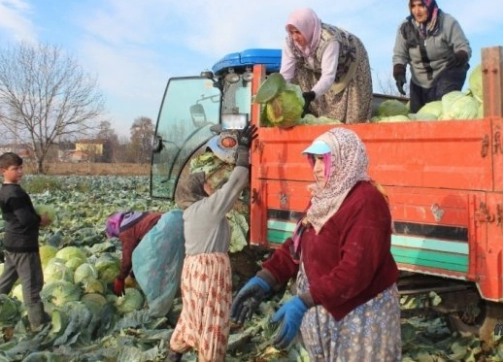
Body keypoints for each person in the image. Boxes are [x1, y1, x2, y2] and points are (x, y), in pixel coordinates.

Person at [230, 127, 402, 361]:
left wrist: (303, 302)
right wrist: (265, 278)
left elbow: (355, 272)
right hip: (326, 305)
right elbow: (299, 243)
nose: (318, 168)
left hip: (360, 314)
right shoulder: (325, 197)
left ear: (345, 160)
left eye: (324, 160)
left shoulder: (365, 201)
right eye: (315, 160)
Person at [166, 124, 257, 362]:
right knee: (214, 321)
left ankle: (173, 353)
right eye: (205, 183)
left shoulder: (190, 211)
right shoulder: (208, 209)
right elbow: (236, 183)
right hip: (210, 272)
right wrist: (245, 150)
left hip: (193, 271)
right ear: (198, 191)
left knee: (193, 314)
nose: (210, 185)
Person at [279, 8, 374, 124]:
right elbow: (286, 74)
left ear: (308, 29)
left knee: (355, 116)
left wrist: (311, 95)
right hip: (318, 63)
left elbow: (328, 76)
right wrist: (278, 96)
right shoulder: (290, 43)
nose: (294, 37)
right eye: (291, 32)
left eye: (298, 32)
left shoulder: (329, 40)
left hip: (350, 60)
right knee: (299, 70)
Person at [392, 0, 472, 113]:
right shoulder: (405, 27)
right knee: (418, 117)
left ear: (430, 4)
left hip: (446, 73)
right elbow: (399, 55)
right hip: (419, 79)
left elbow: (464, 48)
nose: (417, 11)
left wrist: (457, 57)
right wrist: (399, 72)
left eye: (421, 5)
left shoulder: (447, 22)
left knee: (441, 112)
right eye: (413, 6)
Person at [0, 152, 51, 332]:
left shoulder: (6, 190)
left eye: (21, 167)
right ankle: (38, 326)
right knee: (32, 285)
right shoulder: (14, 193)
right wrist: (41, 220)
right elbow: (25, 219)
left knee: (5, 282)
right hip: (23, 246)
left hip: (12, 244)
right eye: (15, 169)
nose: (20, 171)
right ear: (3, 171)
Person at [105, 210, 164, 296]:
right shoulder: (132, 218)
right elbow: (139, 252)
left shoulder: (126, 230)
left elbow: (128, 258)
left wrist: (120, 278)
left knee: (157, 266)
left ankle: (159, 296)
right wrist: (132, 275)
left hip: (163, 232)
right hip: (168, 223)